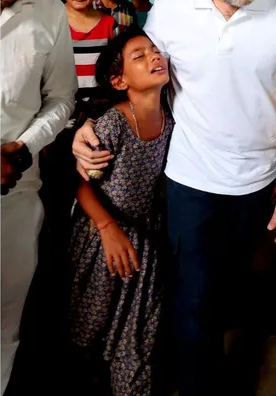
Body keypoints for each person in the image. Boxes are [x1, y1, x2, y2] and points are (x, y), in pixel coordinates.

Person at [74, 0, 276, 395]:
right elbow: (139, 83)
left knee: (243, 298)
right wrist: (88, 127)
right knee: (192, 304)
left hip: (259, 185)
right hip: (189, 183)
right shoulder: (169, 13)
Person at [0, 0, 76, 392]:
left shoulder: (49, 12)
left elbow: (62, 99)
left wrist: (24, 147)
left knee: (3, 328)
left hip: (17, 189)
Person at [68, 29, 171, 393]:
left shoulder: (172, 117)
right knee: (88, 327)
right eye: (139, 56)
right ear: (119, 80)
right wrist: (107, 228)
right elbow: (81, 182)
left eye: (155, 51)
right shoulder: (113, 123)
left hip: (146, 241)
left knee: (137, 333)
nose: (154, 57)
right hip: (102, 239)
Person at [62, 0, 116, 94]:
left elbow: (117, 68)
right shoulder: (51, 23)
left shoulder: (109, 24)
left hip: (101, 102)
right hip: (59, 103)